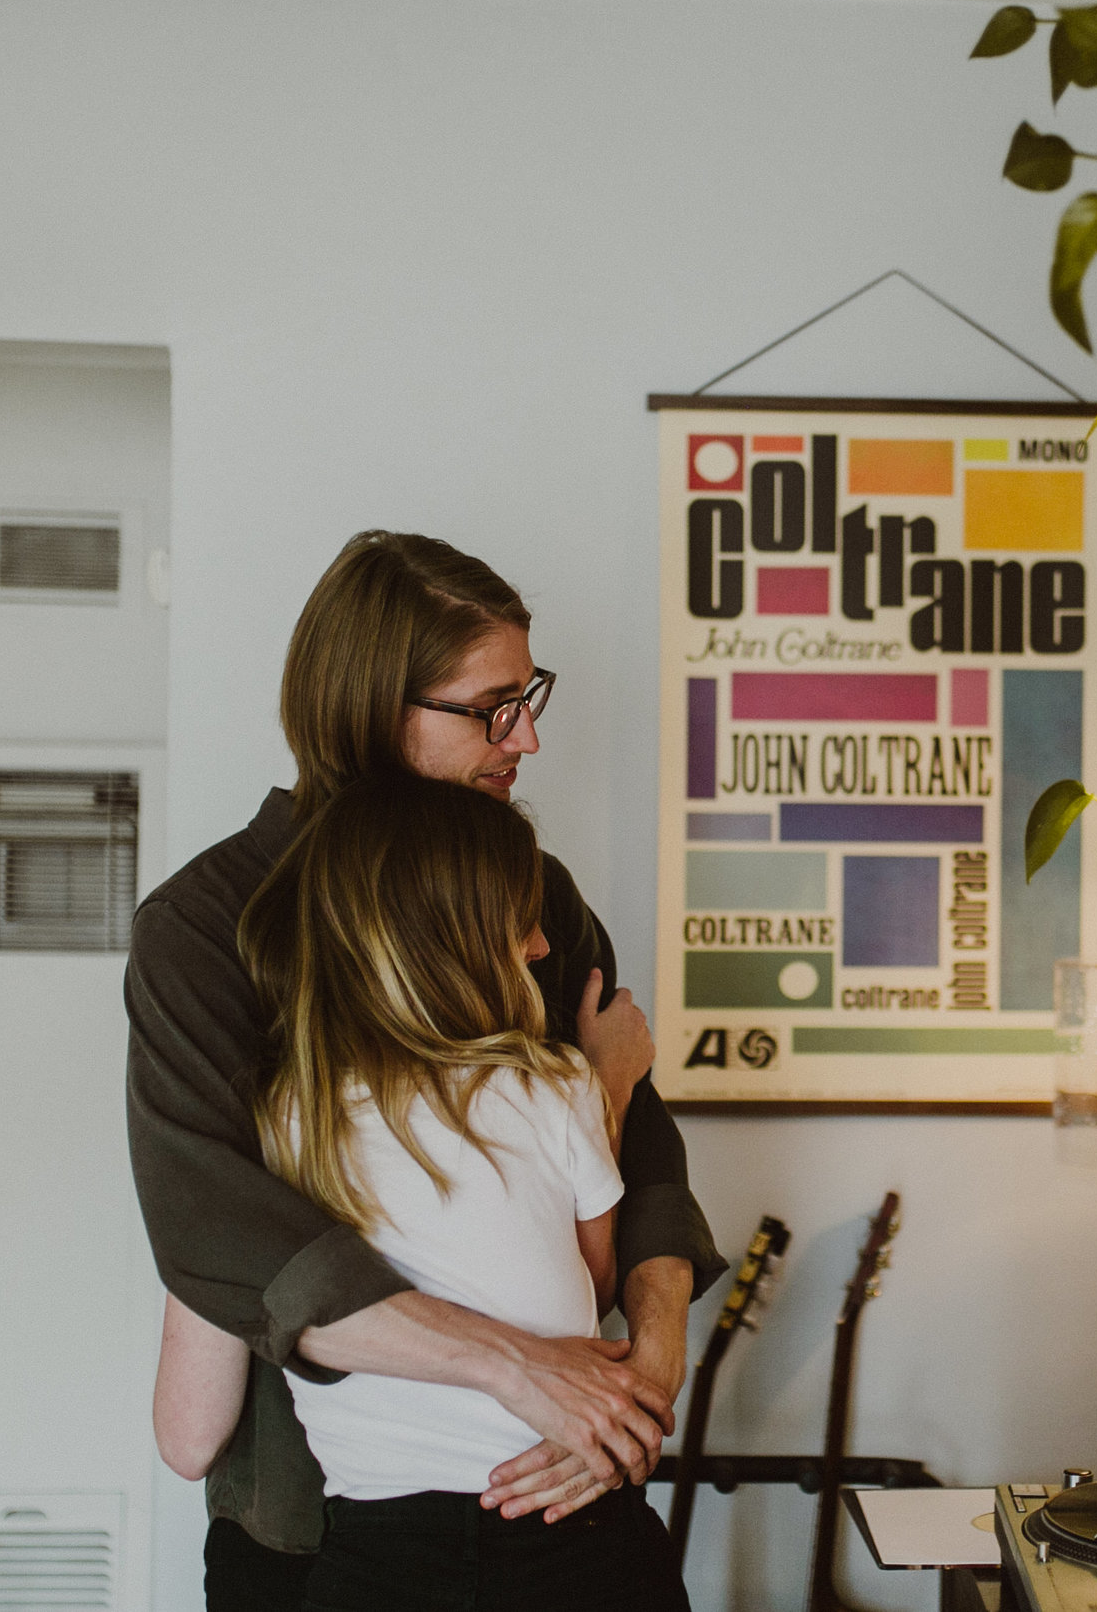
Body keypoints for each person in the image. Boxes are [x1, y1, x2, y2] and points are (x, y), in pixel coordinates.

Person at [127, 532, 727, 1609]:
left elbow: (636, 1158)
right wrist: (518, 1366)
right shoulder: (206, 926)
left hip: (569, 1503)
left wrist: (643, 1374)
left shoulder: (531, 893)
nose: (528, 735)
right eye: (492, 705)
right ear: (370, 708)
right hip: (320, 1529)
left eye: (529, 693)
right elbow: (222, 1230)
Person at [155, 773, 681, 1610]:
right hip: (573, 1526)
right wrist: (610, 1088)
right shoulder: (558, 1086)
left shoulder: (275, 1128)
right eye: (521, 924)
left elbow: (187, 1434)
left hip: (376, 1552)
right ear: (455, 941)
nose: (543, 948)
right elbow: (598, 1283)